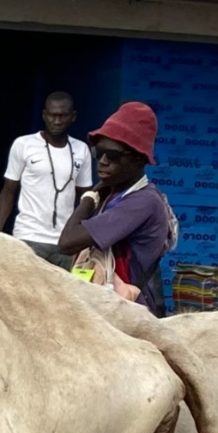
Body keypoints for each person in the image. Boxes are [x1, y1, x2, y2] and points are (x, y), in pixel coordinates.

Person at [55, 101, 179, 315]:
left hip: (128, 318)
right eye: (99, 152)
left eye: (112, 155)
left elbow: (67, 242)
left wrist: (89, 197)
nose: (102, 161)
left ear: (139, 159)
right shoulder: (113, 193)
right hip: (105, 310)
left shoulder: (143, 202)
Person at [0, 90, 93, 265]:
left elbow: (85, 199)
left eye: (62, 116)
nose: (56, 121)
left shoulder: (81, 150)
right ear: (44, 115)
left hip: (65, 243)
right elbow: (8, 191)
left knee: (62, 292)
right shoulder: (23, 145)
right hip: (28, 237)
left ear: (73, 116)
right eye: (52, 115)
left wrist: (83, 240)